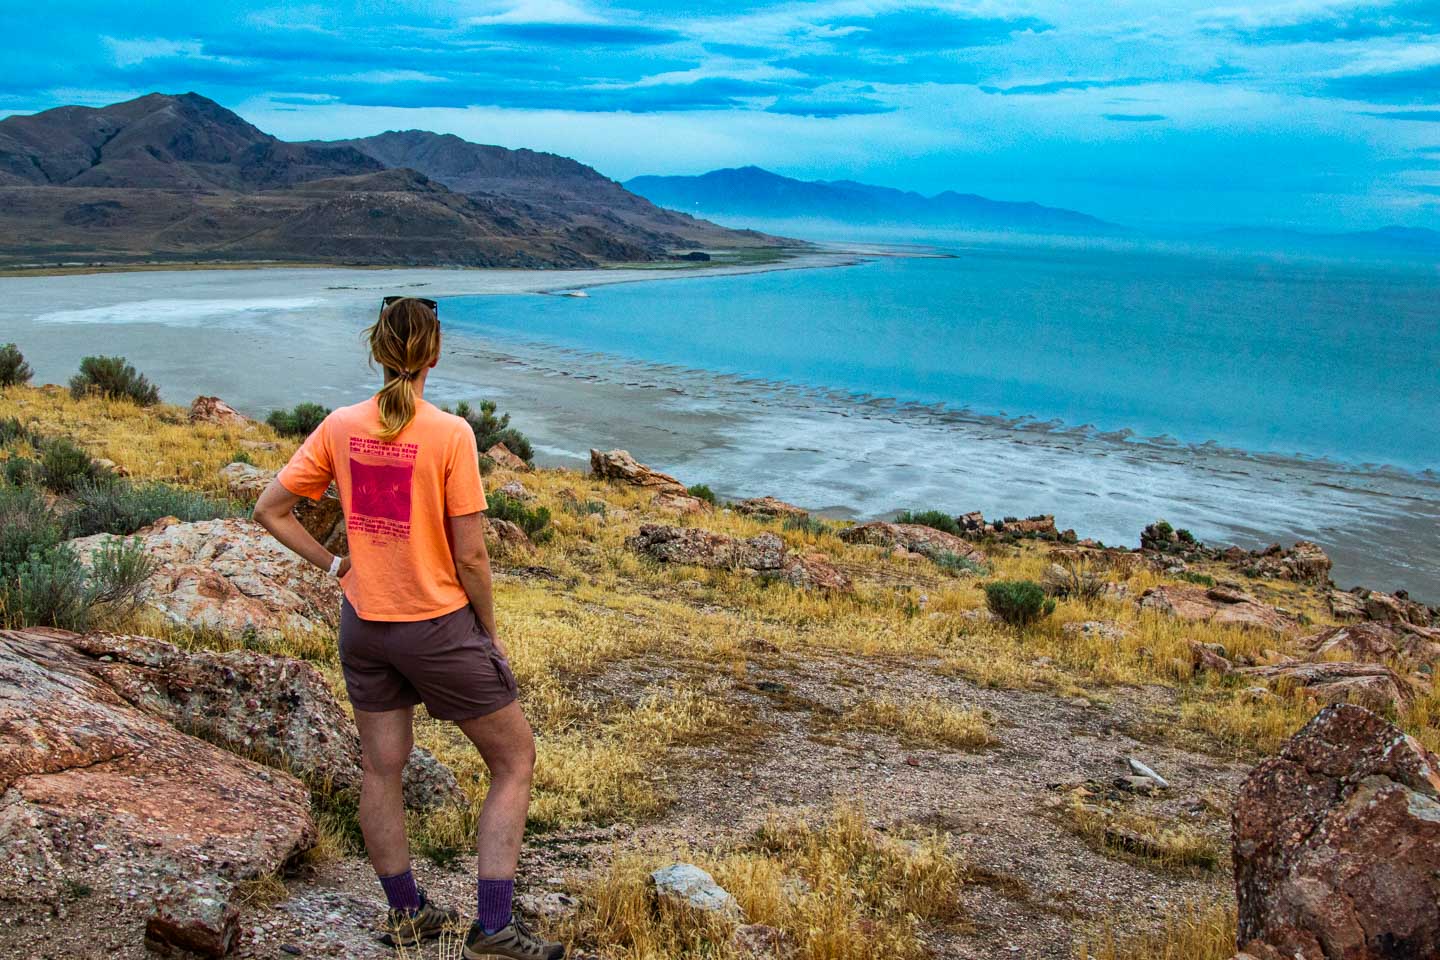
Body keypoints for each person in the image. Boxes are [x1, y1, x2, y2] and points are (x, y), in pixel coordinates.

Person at [254, 296, 563, 960]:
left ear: (377, 351)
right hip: (437, 626)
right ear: (434, 354)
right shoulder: (450, 433)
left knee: (382, 769)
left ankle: (405, 915)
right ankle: (495, 927)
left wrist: (336, 563)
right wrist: (489, 630)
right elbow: (472, 555)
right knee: (514, 760)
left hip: (363, 624)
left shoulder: (339, 426)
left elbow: (270, 509)